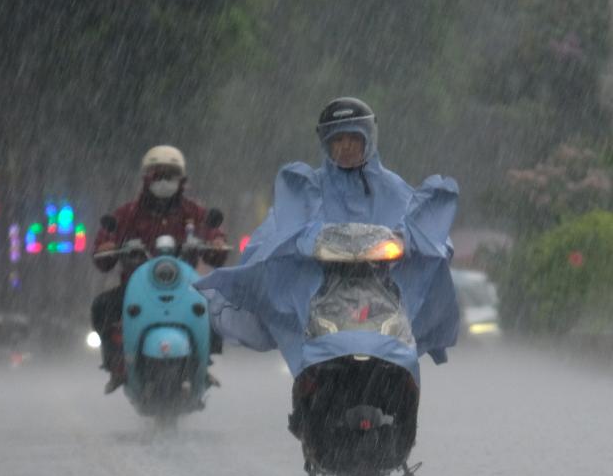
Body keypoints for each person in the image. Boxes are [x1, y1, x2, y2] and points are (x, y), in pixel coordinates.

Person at [195, 96, 460, 435]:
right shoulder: (308, 189)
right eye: (338, 141)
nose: (346, 148)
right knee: (308, 343)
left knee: (401, 348)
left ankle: (403, 416)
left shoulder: (393, 188)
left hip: (382, 294)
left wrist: (414, 242)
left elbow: (428, 232)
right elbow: (275, 231)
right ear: (326, 144)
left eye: (353, 139)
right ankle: (308, 410)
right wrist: (294, 243)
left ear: (368, 140)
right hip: (321, 293)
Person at [91, 145, 228, 393]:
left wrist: (216, 241)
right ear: (146, 178)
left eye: (170, 174)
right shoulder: (127, 214)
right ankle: (116, 365)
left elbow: (215, 241)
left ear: (182, 179)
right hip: (136, 288)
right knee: (102, 306)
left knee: (217, 305)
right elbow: (103, 253)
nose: (163, 181)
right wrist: (107, 244)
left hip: (187, 288)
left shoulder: (195, 212)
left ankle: (204, 359)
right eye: (157, 174)